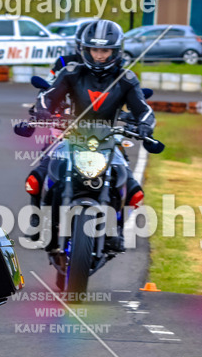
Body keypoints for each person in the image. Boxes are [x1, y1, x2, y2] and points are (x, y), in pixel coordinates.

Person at [27, 19, 155, 252]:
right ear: (85, 49)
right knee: (38, 175)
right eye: (94, 50)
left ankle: (117, 229)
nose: (99, 56)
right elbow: (49, 97)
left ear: (116, 51)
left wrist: (145, 125)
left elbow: (143, 109)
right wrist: (42, 111)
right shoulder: (71, 72)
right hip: (73, 135)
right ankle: (36, 220)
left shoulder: (127, 79)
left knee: (132, 187)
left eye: (105, 51)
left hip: (109, 139)